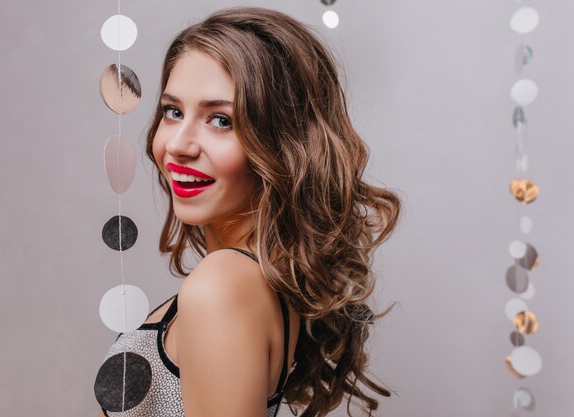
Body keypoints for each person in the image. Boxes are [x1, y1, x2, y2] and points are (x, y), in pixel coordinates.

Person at [94, 6, 402, 417]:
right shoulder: (257, 281)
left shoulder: (221, 286)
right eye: (173, 112)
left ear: (284, 144)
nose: (179, 145)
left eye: (221, 120)